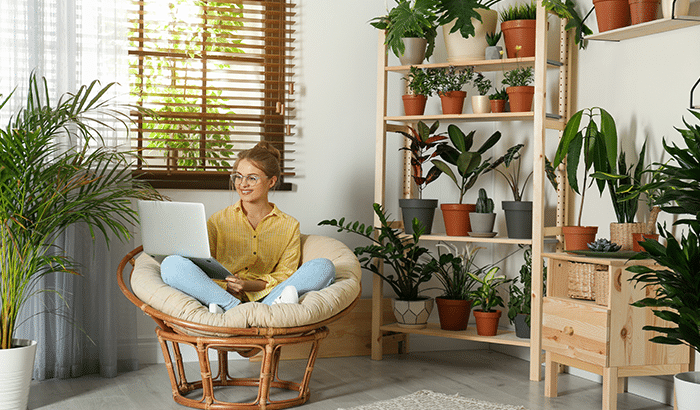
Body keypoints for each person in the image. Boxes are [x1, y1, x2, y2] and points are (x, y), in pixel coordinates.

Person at [160, 142, 335, 313]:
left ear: (271, 181)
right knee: (170, 264)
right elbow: (204, 266)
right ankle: (236, 309)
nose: (243, 184)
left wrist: (249, 285)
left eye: (252, 178)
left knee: (324, 267)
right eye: (238, 176)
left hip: (267, 296)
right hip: (223, 294)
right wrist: (226, 286)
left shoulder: (289, 225)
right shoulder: (218, 220)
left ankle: (266, 308)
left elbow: (285, 275)